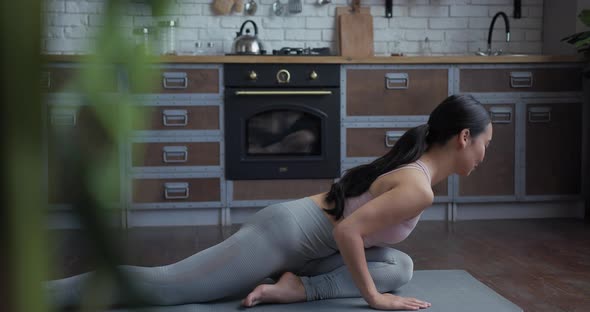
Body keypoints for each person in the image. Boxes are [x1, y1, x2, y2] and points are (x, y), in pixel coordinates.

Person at [46, 94, 492, 311]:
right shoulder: (419, 187)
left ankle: (298, 286)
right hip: (283, 234)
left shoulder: (416, 173)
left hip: (312, 252)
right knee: (167, 285)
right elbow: (347, 230)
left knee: (401, 267)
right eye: (484, 145)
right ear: (464, 137)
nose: (483, 156)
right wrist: (374, 299)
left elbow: (352, 234)